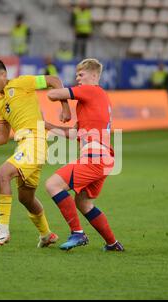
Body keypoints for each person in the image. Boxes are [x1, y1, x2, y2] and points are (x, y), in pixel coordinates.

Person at [0, 59, 68, 248]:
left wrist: (65, 107)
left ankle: (3, 230)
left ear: (3, 74)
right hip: (25, 146)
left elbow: (54, 80)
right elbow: (2, 137)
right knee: (25, 198)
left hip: (35, 141)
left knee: (3, 173)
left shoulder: (21, 83)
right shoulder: (1, 103)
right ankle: (46, 235)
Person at [44, 58, 124, 252]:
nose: (78, 79)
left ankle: (78, 233)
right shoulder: (95, 99)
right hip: (104, 158)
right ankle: (112, 244)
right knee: (83, 202)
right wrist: (45, 125)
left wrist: (64, 106)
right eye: (77, 75)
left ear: (94, 76)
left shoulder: (91, 90)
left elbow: (52, 93)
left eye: (81, 75)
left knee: (52, 184)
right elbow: (73, 134)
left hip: (94, 158)